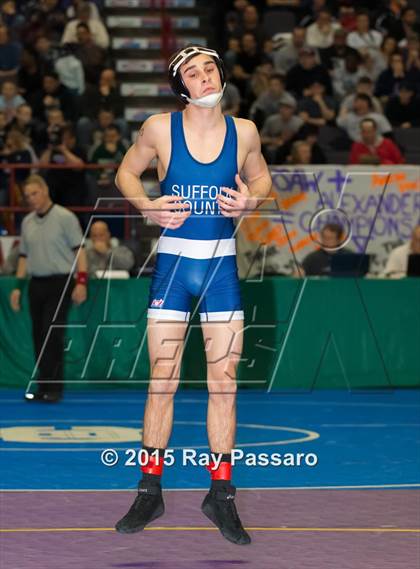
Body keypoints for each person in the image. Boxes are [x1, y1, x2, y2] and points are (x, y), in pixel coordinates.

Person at [113, 44, 272, 545]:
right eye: (193, 74)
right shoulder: (160, 128)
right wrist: (146, 206)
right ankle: (149, 490)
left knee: (223, 383)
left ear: (220, 75)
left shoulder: (244, 131)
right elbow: (125, 171)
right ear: (181, 86)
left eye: (209, 70)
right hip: (174, 268)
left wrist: (252, 198)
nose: (204, 78)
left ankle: (220, 495)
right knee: (164, 378)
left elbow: (262, 176)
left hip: (222, 265)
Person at [9, 175, 88, 402]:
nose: (31, 199)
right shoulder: (27, 222)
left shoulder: (65, 217)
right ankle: (43, 386)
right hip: (36, 283)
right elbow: (24, 256)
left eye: (34, 193)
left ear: (45, 191)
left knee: (52, 334)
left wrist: (81, 282)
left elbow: (79, 251)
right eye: (27, 196)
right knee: (38, 336)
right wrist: (17, 287)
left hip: (60, 283)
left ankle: (54, 389)